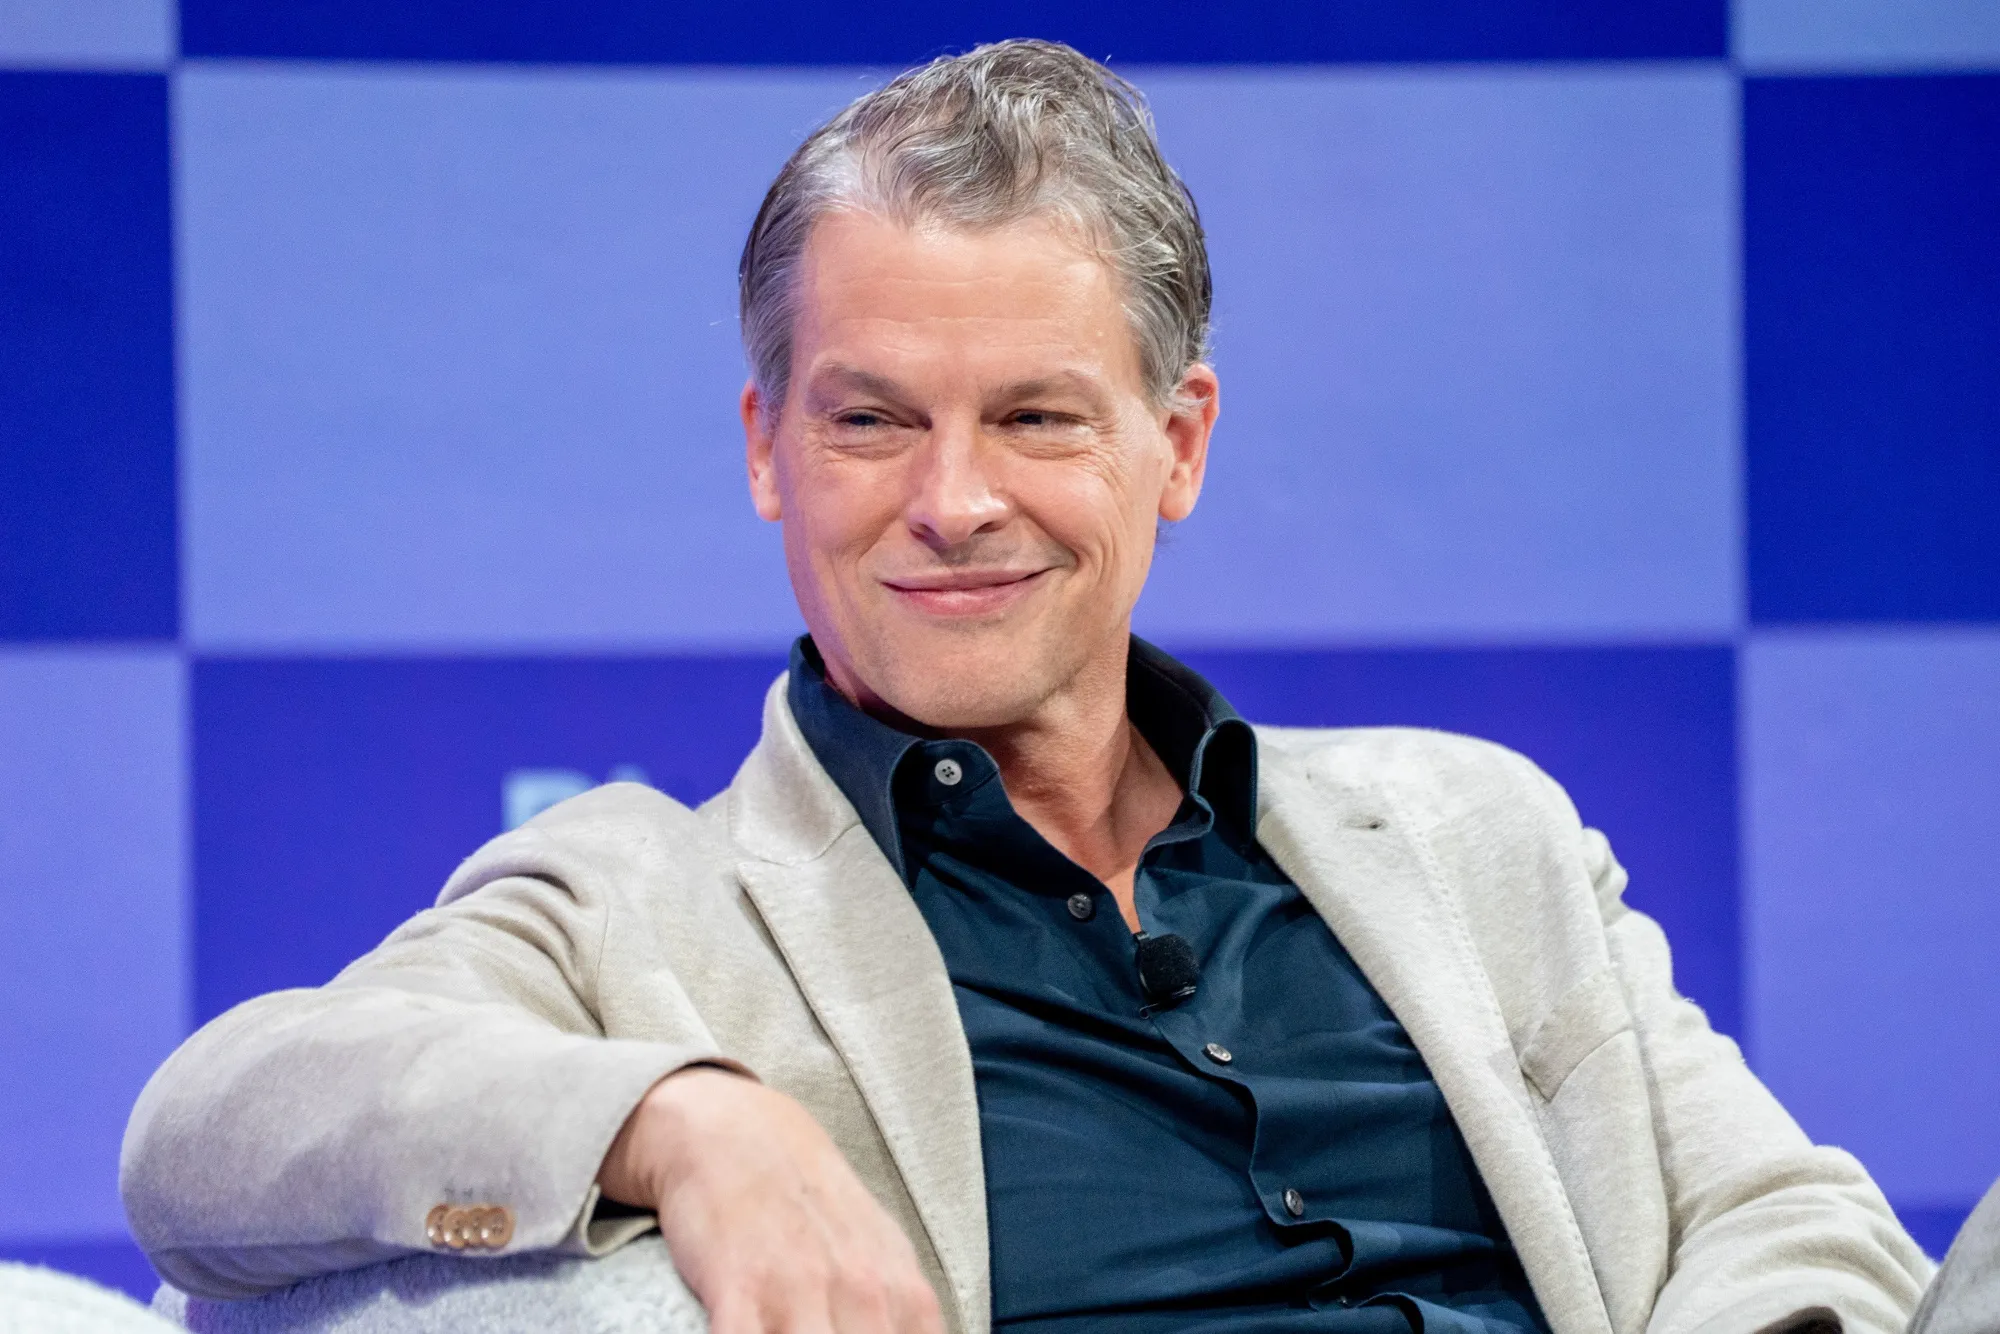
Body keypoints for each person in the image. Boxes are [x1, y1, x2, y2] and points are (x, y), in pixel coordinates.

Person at [122, 39, 1932, 1334]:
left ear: (1179, 441)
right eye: (872, 419)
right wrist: (689, 1121)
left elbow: (1792, 1218)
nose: (955, 497)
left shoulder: (1473, 829)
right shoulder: (636, 901)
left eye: (1038, 417)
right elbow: (211, 1133)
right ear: (768, 448)